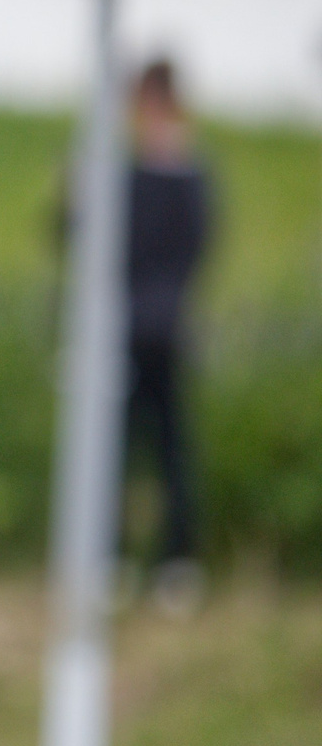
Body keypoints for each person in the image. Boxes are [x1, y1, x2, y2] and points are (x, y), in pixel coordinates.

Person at [126, 56, 213, 610]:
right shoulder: (125, 168)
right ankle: (112, 557)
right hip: (127, 329)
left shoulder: (185, 173)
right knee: (116, 448)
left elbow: (193, 247)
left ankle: (176, 562)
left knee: (170, 448)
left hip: (163, 330)